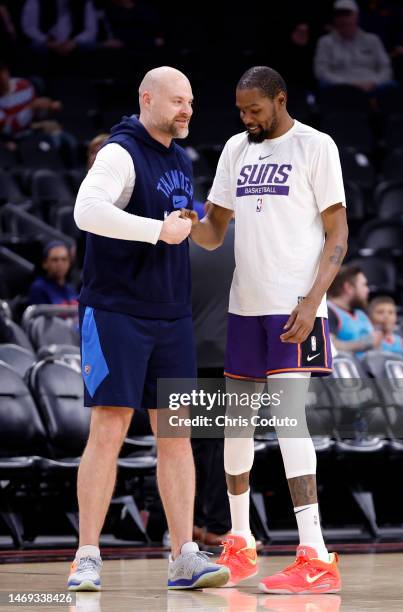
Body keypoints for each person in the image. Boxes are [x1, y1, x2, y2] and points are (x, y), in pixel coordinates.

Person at [181, 65, 348, 594]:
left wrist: (312, 299)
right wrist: (185, 222)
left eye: (254, 109)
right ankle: (240, 541)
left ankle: (315, 554)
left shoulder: (316, 146)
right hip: (244, 305)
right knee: (237, 428)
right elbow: (213, 232)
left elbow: (338, 233)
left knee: (290, 423)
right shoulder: (236, 148)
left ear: (279, 99)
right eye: (239, 110)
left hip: (295, 308)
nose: (245, 117)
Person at [69, 66, 230, 592]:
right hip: (116, 310)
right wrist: (155, 230)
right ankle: (86, 555)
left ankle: (184, 554)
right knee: (110, 427)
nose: (187, 109)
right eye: (177, 100)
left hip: (171, 315)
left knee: (177, 436)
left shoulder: (180, 158)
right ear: (148, 98)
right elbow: (86, 211)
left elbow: (195, 233)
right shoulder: (120, 151)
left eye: (191, 101)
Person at [314, 0, 393, 92]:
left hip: (373, 85)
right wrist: (347, 84)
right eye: (339, 15)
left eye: (347, 14)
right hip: (340, 87)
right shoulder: (325, 42)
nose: (343, 19)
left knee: (393, 88)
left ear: (356, 16)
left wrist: (374, 82)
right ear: (334, 19)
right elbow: (321, 71)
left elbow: (386, 68)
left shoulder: (373, 40)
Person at [328, 265, 383, 358]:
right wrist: (363, 344)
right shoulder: (329, 311)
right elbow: (328, 346)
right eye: (364, 285)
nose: (367, 290)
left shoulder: (361, 314)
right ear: (348, 287)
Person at [27, 240, 77, 306]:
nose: (60, 264)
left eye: (64, 259)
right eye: (55, 260)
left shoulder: (71, 288)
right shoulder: (38, 288)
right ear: (44, 264)